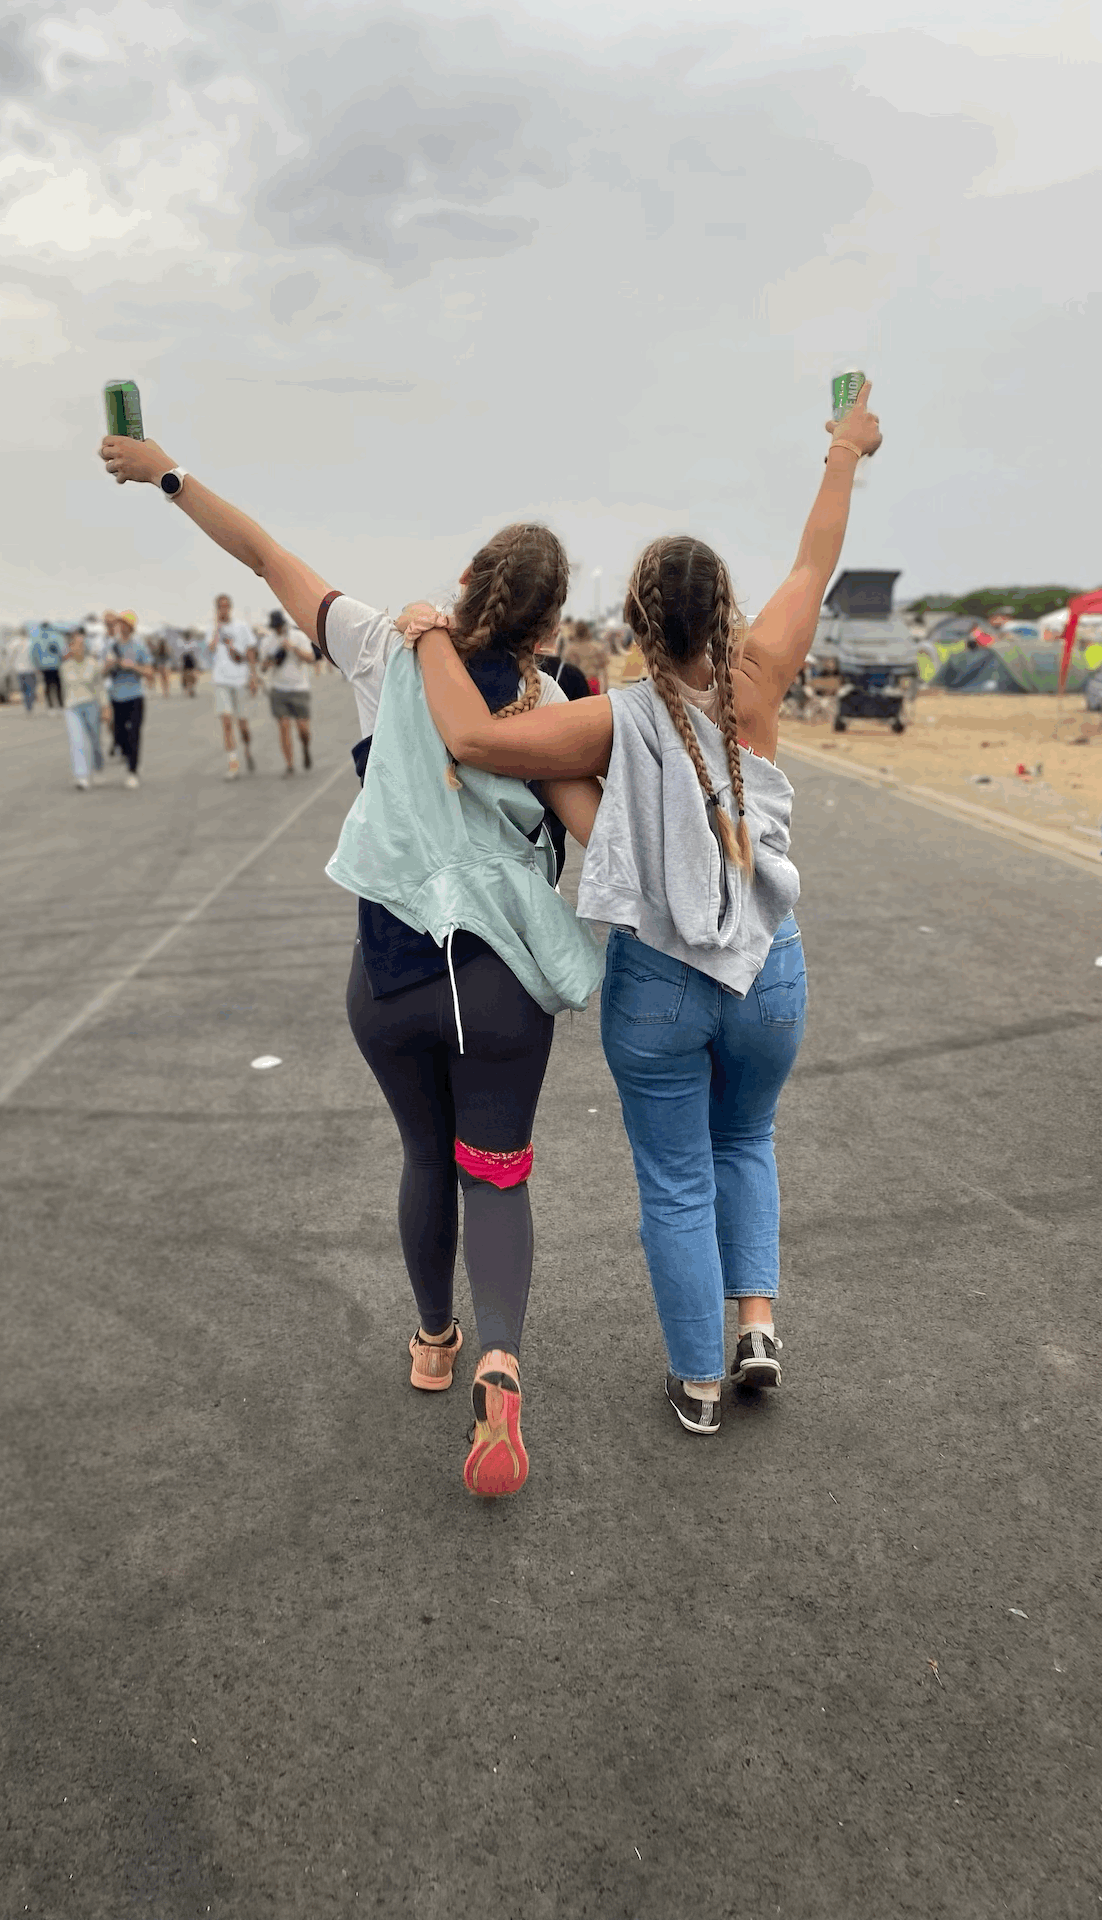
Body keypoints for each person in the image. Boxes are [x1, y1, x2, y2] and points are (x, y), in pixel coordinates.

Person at [98, 428, 605, 1499]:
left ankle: (433, 1343)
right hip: (504, 984)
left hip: (391, 977)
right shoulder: (555, 701)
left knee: (428, 1161)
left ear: (467, 581)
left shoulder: (381, 644)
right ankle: (502, 1360)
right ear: (552, 623)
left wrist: (168, 475)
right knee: (497, 1172)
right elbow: (595, 838)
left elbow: (264, 555)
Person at [411, 384, 883, 1438]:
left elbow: (475, 742)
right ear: (724, 611)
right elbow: (816, 561)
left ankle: (697, 1383)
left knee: (675, 1178)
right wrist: (846, 451)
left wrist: (429, 636)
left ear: (632, 620)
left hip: (661, 986)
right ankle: (755, 1326)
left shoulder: (603, 721)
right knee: (746, 1140)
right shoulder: (761, 682)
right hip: (770, 968)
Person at [208, 593, 258, 778]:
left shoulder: (241, 628)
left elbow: (250, 651)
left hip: (240, 680)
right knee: (227, 722)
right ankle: (233, 762)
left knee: (243, 725)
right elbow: (211, 648)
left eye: (226, 606)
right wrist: (216, 629)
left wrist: (253, 676)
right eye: (220, 606)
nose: (223, 609)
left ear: (230, 607)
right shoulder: (213, 629)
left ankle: (247, 748)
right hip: (220, 680)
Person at [262, 608, 316, 774]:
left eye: (280, 626)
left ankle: (305, 747)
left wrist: (293, 648)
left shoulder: (298, 636)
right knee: (284, 726)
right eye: (275, 627)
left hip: (299, 688)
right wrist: (270, 660)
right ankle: (289, 764)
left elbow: (311, 658)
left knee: (303, 729)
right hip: (279, 689)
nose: (278, 629)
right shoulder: (267, 641)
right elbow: (263, 667)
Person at [106, 611, 150, 789]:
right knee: (119, 734)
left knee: (134, 734)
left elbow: (149, 672)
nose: (121, 627)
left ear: (131, 627)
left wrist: (132, 666)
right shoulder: (111, 646)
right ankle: (125, 753)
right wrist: (109, 665)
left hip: (135, 695)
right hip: (116, 695)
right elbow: (102, 670)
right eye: (119, 624)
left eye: (124, 624)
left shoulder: (139, 647)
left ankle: (132, 770)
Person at [61, 631, 105, 789]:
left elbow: (100, 687)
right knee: (77, 741)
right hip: (72, 707)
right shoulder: (65, 667)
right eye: (73, 645)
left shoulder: (93, 664)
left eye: (80, 645)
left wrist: (105, 707)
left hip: (91, 704)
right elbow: (65, 689)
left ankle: (98, 767)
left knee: (95, 741)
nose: (76, 648)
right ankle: (81, 777)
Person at [33, 626, 65, 708]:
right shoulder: (56, 637)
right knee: (58, 686)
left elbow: (34, 653)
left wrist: (37, 665)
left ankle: (51, 706)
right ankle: (61, 705)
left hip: (44, 666)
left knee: (48, 686)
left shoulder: (38, 638)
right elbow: (62, 650)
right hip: (56, 665)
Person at [10, 632, 38, 713]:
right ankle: (29, 704)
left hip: (21, 669)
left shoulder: (15, 643)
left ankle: (28, 705)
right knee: (30, 688)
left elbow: (10, 656)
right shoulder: (30, 642)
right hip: (29, 669)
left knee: (24, 688)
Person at [149, 628, 173, 695]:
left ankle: (166, 691)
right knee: (165, 678)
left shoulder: (164, 647)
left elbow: (168, 654)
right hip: (163, 662)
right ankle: (166, 691)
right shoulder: (161, 647)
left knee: (164, 677)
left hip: (163, 662)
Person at [180, 630, 200, 697]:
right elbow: (181, 654)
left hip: (191, 659)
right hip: (185, 659)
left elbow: (196, 653)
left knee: (193, 675)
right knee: (186, 675)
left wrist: (197, 661)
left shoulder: (193, 643)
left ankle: (191, 687)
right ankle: (189, 688)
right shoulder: (182, 643)